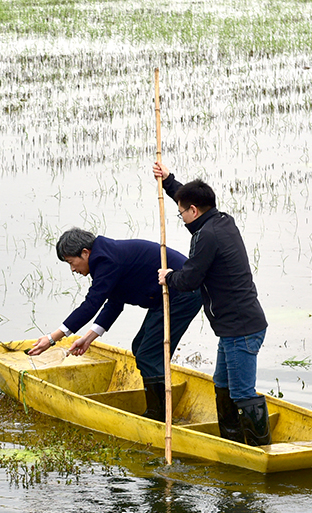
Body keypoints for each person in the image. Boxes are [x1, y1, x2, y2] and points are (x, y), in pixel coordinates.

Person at [27, 228, 202, 422]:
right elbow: (114, 303)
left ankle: (159, 416)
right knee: (141, 348)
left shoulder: (106, 260)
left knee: (149, 354)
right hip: (169, 296)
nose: (73, 269)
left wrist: (52, 338)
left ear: (85, 253)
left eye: (71, 262)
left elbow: (91, 304)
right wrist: (87, 339)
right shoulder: (106, 256)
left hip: (183, 293)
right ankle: (158, 409)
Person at [152, 161, 270, 446]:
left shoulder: (207, 236)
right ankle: (231, 442)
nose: (180, 217)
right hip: (231, 328)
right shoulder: (221, 220)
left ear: (193, 212)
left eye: (181, 213)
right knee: (222, 384)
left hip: (240, 328)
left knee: (242, 393)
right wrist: (169, 181)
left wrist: (169, 277)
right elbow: (189, 198)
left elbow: (190, 279)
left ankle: (258, 449)